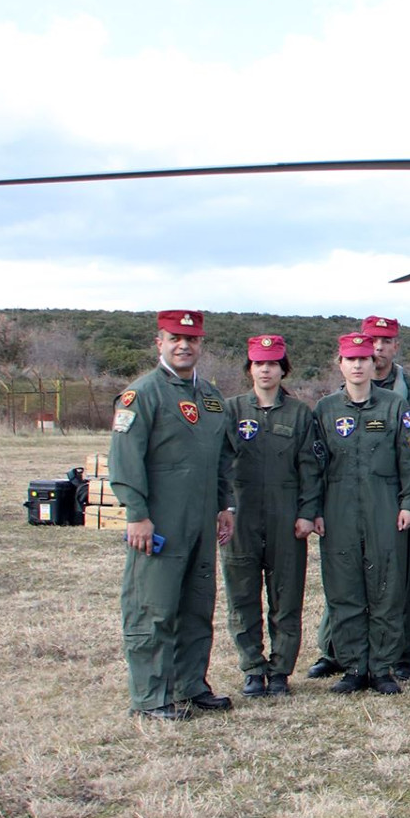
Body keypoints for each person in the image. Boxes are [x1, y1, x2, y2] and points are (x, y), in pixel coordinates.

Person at [109, 309, 238, 720]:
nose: (184, 346)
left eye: (192, 339)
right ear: (159, 343)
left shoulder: (211, 398)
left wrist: (224, 506)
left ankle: (190, 685)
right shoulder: (142, 394)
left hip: (201, 519)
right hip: (160, 519)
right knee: (154, 607)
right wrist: (137, 514)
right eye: (175, 339)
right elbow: (125, 459)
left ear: (201, 344)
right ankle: (151, 697)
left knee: (197, 606)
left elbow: (222, 459)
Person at [313, 332, 410, 694]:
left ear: (371, 362)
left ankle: (381, 667)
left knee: (386, 590)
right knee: (344, 589)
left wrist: (409, 503)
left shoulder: (395, 405)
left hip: (384, 507)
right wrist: (313, 510)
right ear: (340, 364)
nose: (358, 365)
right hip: (338, 509)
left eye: (363, 358)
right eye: (351, 359)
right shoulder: (326, 409)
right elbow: (313, 465)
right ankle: (353, 667)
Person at [222, 334, 323, 698]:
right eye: (259, 363)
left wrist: (307, 512)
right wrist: (223, 508)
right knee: (242, 596)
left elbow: (310, 467)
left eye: (273, 364)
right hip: (241, 517)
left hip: (285, 517)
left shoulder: (299, 414)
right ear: (250, 368)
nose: (265, 370)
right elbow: (220, 464)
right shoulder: (231, 410)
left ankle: (280, 670)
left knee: (286, 597)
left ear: (284, 369)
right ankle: (252, 668)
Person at [363, 314, 410, 680]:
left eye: (385, 342)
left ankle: (404, 652)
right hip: (357, 496)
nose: (378, 349)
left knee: (404, 577)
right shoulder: (347, 389)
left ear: (395, 346)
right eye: (372, 341)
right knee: (351, 574)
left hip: (403, 495)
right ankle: (339, 650)